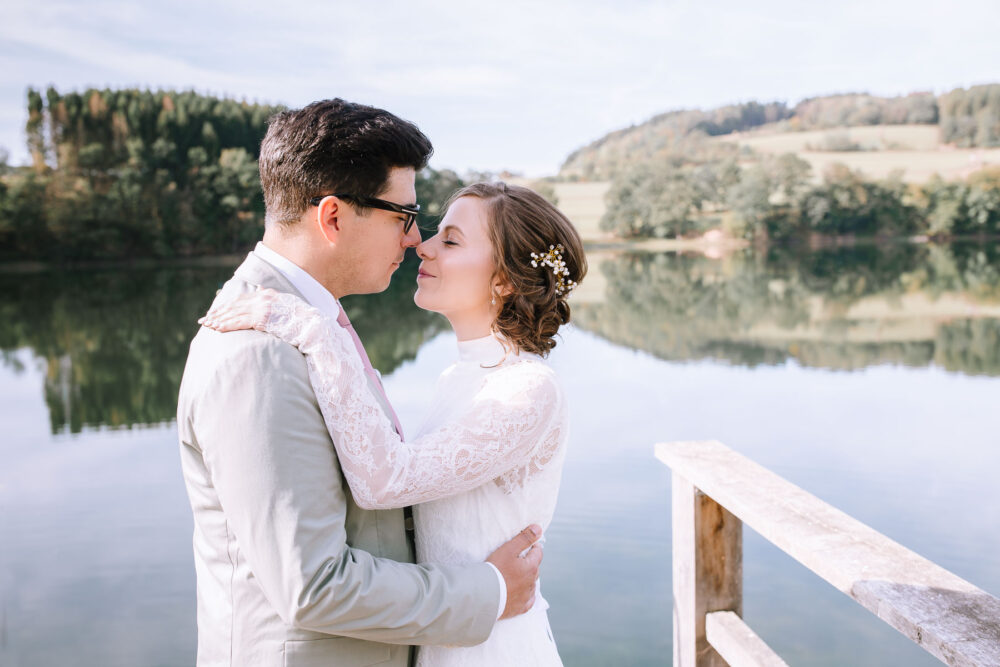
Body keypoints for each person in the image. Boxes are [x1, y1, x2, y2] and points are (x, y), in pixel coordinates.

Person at [176, 99, 544, 667]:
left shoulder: (308, 321)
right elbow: (314, 584)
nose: (413, 239)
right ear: (333, 218)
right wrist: (489, 592)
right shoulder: (260, 351)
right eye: (403, 215)